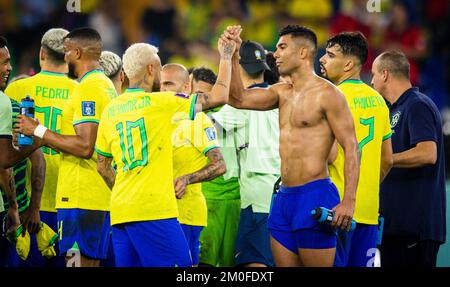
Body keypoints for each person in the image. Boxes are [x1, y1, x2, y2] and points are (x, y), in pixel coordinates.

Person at [223, 25, 360, 267]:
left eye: (282, 47)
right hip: (283, 199)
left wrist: (349, 201)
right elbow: (237, 99)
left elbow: (351, 147)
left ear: (304, 53)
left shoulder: (329, 94)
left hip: (315, 194)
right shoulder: (281, 92)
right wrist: (232, 57)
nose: (275, 54)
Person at [94, 36, 236, 267]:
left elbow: (102, 165)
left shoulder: (111, 109)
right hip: (154, 211)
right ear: (151, 69)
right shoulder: (160, 103)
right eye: (160, 68)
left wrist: (126, 191)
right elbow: (220, 96)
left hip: (120, 210)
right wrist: (227, 56)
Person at [15, 28, 117, 267]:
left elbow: (84, 147)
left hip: (82, 197)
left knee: (77, 264)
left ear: (78, 53)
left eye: (67, 52)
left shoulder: (88, 88)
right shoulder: (102, 85)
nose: (65, 57)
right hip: (91, 197)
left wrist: (38, 131)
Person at [319, 31, 393, 267]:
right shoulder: (379, 100)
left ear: (349, 63)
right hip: (369, 211)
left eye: (330, 55)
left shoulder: (331, 97)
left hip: (335, 208)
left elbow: (327, 155)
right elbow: (388, 159)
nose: (322, 59)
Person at [5, 28, 77, 267]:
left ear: (41, 54)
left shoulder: (15, 90)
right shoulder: (82, 92)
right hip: (70, 201)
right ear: (70, 56)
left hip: (25, 203)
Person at [371, 50, 446, 267]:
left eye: (374, 74)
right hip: (395, 227)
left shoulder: (417, 104)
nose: (372, 80)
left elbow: (427, 153)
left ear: (385, 74)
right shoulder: (393, 109)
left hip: (415, 228)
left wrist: (386, 159)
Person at [160, 63, 227, 266]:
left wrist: (187, 179)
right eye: (161, 84)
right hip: (157, 212)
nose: (163, 90)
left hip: (186, 214)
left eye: (169, 84)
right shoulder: (156, 116)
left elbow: (220, 164)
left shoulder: (197, 119)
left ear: (186, 87)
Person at [230, 40, 280, 267]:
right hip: (282, 192)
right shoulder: (281, 98)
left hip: (255, 197)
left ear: (239, 69)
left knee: (255, 263)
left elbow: (205, 128)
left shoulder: (240, 106)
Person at [191, 67, 242, 267]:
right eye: (197, 95)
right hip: (204, 197)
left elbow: (211, 126)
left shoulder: (229, 112)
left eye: (207, 96)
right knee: (203, 263)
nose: (203, 101)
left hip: (233, 199)